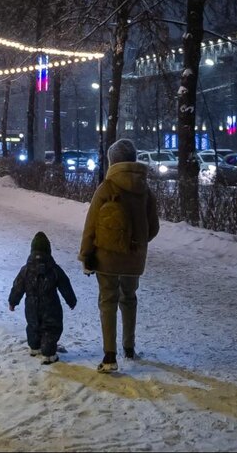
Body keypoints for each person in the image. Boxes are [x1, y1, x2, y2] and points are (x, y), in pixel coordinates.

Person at [78, 138, 160, 374]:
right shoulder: (145, 190)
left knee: (107, 301)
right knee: (129, 298)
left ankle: (109, 355)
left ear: (112, 161)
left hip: (106, 257)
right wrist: (136, 245)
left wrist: (86, 256)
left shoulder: (107, 187)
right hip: (134, 259)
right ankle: (129, 347)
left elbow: (91, 226)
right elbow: (153, 228)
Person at [8, 231, 76, 365]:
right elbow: (65, 285)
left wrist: (13, 301)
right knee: (51, 327)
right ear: (48, 250)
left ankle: (34, 347)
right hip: (50, 305)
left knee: (33, 325)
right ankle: (49, 354)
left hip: (31, 305)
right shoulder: (54, 269)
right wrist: (71, 301)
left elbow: (18, 286)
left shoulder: (26, 270)